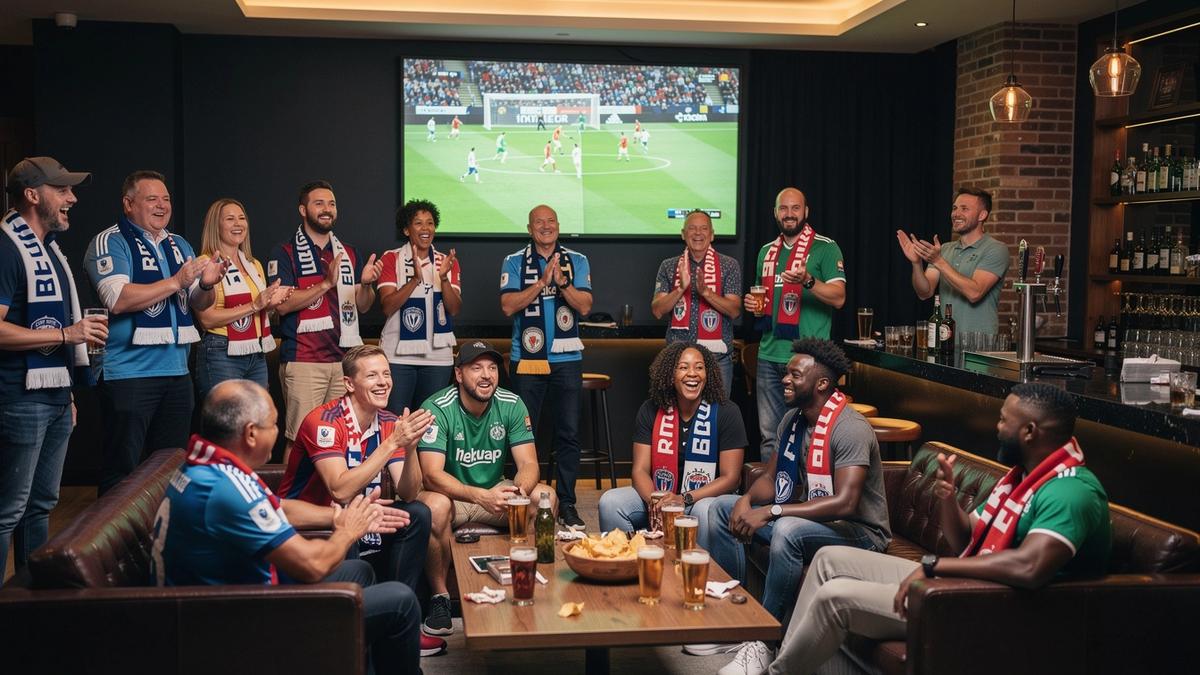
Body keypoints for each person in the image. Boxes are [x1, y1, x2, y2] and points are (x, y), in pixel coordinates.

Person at [764, 383, 1111, 675]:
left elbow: (1029, 567)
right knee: (828, 559)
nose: (997, 427)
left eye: (1004, 420)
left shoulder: (1071, 491)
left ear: (1030, 431)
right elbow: (963, 539)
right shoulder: (1019, 480)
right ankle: (785, 660)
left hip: (992, 604)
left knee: (834, 596)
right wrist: (948, 500)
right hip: (967, 585)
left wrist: (933, 567)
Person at [151, 379, 425, 672]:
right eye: (273, 424)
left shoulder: (206, 467)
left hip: (222, 601)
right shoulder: (226, 489)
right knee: (401, 602)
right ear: (251, 434)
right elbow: (313, 565)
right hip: (236, 624)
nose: (279, 432)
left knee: (359, 571)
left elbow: (278, 508)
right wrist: (348, 531)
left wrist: (337, 517)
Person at [709, 339, 890, 674]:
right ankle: (735, 621)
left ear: (821, 384)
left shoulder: (849, 428)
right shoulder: (793, 419)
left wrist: (774, 511)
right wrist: (747, 500)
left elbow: (846, 504)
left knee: (789, 530)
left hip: (861, 533)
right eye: (786, 373)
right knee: (721, 506)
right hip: (814, 522)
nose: (785, 379)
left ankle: (763, 642)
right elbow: (771, 477)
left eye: (795, 374)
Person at [277, 345, 447, 658]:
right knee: (348, 513)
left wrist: (408, 449)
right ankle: (362, 628)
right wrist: (392, 443)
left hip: (364, 512)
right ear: (349, 384)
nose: (384, 381)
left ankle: (401, 621)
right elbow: (340, 491)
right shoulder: (324, 422)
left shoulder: (387, 421)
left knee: (418, 513)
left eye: (387, 374)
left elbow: (409, 492)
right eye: (372, 375)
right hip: (314, 522)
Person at [84, 170, 228, 494]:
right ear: (128, 203)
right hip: (128, 374)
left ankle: (161, 540)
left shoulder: (180, 245)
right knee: (123, 469)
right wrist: (177, 281)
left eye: (166, 199)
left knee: (171, 467)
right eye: (152, 199)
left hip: (177, 374)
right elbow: (117, 299)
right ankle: (117, 546)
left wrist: (206, 284)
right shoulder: (110, 241)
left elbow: (199, 304)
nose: (162, 205)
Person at [0, 157, 106, 572]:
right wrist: (67, 335)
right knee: (9, 509)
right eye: (61, 190)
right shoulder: (7, 248)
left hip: (55, 397)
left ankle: (27, 602)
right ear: (32, 195)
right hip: (19, 400)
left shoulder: (50, 251)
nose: (72, 198)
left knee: (41, 506)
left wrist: (66, 392)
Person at [416, 341, 557, 636]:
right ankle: (440, 598)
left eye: (492, 368)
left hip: (496, 490)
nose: (486, 375)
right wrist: (480, 495)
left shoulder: (512, 403)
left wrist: (519, 493)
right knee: (432, 506)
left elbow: (529, 464)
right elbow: (430, 476)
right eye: (476, 368)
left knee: (545, 497)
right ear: (458, 374)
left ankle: (529, 583)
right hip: (453, 495)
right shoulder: (437, 407)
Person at [268, 180, 382, 464]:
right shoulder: (284, 252)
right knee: (299, 440)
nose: (327, 209)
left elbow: (363, 306)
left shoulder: (348, 252)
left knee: (339, 438)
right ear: (303, 210)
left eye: (331, 204)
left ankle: (333, 502)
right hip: (303, 359)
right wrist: (325, 283)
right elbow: (281, 307)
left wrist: (366, 285)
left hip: (342, 360)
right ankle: (292, 504)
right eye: (319, 203)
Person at [598, 343, 745, 548]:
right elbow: (639, 470)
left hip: (702, 499)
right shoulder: (651, 409)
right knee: (610, 502)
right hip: (660, 494)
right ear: (670, 374)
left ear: (708, 373)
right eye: (683, 367)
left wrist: (683, 499)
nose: (692, 374)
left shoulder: (727, 412)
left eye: (699, 367)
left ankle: (697, 574)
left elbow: (731, 478)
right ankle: (626, 567)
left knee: (703, 510)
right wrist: (656, 501)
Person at [500, 205, 592, 527]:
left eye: (551, 221)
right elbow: (508, 306)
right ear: (529, 228)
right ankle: (520, 500)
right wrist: (541, 283)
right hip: (527, 360)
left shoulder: (577, 260)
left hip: (567, 360)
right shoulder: (513, 261)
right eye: (539, 222)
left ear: (558, 225)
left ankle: (566, 503)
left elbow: (585, 306)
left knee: (568, 434)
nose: (545, 226)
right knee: (523, 434)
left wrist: (563, 283)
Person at [745, 188, 846, 462]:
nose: (789, 214)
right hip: (769, 355)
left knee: (810, 435)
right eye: (784, 208)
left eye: (795, 208)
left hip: (808, 361)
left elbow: (839, 298)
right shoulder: (766, 252)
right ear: (775, 213)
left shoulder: (825, 247)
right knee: (770, 436)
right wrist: (755, 308)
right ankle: (772, 501)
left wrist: (808, 281)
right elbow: (763, 305)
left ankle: (806, 499)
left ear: (806, 212)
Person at [193, 198, 291, 401]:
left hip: (256, 353)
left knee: (256, 421)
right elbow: (207, 319)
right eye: (230, 219)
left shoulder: (253, 264)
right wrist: (255, 304)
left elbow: (258, 312)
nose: (238, 223)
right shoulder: (205, 263)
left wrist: (271, 304)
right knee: (226, 425)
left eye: (242, 218)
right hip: (221, 352)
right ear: (215, 226)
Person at [378, 199, 462, 416]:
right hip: (397, 357)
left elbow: (454, 309)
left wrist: (443, 278)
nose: (426, 229)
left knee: (431, 425)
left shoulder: (446, 261)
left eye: (430, 223)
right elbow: (387, 307)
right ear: (406, 229)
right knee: (395, 422)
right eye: (418, 223)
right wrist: (415, 279)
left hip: (437, 357)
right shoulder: (391, 258)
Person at [651, 210, 742, 397]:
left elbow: (734, 311)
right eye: (692, 228)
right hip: (677, 359)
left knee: (716, 416)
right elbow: (658, 310)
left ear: (712, 234)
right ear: (683, 234)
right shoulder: (669, 266)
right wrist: (680, 289)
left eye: (704, 228)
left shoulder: (729, 265)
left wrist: (706, 292)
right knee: (676, 417)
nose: (698, 233)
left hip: (717, 359)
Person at [897, 186, 1010, 335]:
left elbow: (974, 293)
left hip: (980, 347)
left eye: (964, 209)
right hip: (945, 342)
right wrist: (916, 263)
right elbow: (924, 292)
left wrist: (938, 261)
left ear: (982, 215)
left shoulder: (996, 249)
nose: (956, 214)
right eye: (955, 208)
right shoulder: (944, 249)